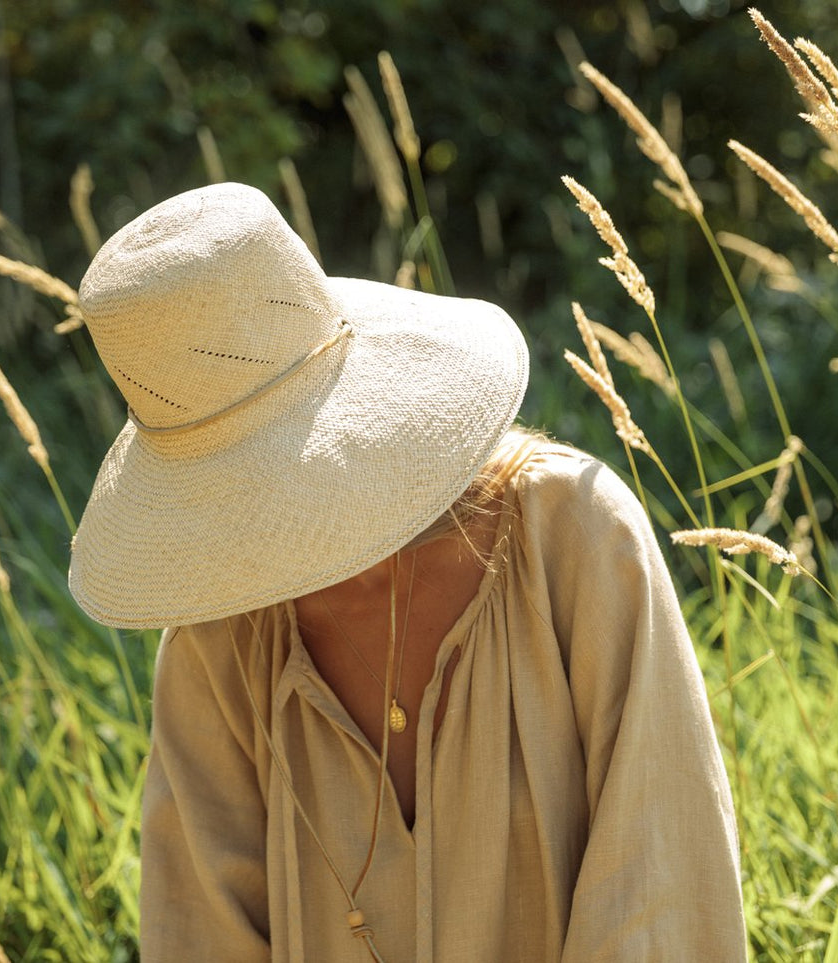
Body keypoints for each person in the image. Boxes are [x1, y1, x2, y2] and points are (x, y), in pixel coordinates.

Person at [68, 182, 747, 961]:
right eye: (238, 493)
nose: (269, 523)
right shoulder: (215, 640)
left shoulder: (572, 536)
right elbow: (199, 929)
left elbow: (659, 886)